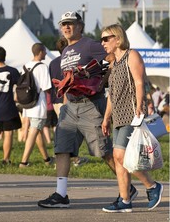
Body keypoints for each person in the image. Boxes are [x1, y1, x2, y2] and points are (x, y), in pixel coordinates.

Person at [37, 11, 120, 208]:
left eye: (71, 24)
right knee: (62, 148)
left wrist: (102, 81)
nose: (66, 27)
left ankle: (127, 189)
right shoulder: (66, 50)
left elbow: (114, 58)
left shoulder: (90, 44)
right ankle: (61, 194)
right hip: (70, 107)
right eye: (64, 24)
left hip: (90, 105)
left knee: (103, 151)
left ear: (80, 26)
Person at [100, 24, 163, 213]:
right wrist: (106, 118)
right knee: (119, 160)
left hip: (131, 114)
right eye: (101, 39)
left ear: (117, 39)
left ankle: (152, 186)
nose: (102, 43)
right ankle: (125, 200)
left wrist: (139, 105)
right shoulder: (114, 63)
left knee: (121, 156)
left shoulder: (131, 55)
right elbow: (112, 94)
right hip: (118, 116)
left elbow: (139, 81)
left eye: (106, 39)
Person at [48, 37, 89, 168]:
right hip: (69, 98)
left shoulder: (52, 63)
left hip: (56, 99)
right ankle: (70, 157)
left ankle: (65, 157)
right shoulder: (70, 62)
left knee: (62, 128)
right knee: (72, 130)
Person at [18, 43, 54, 168]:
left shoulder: (25, 66)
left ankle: (47, 159)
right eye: (44, 51)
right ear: (40, 52)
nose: (45, 54)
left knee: (37, 131)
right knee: (34, 131)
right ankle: (24, 161)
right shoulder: (42, 67)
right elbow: (47, 88)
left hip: (28, 103)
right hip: (38, 104)